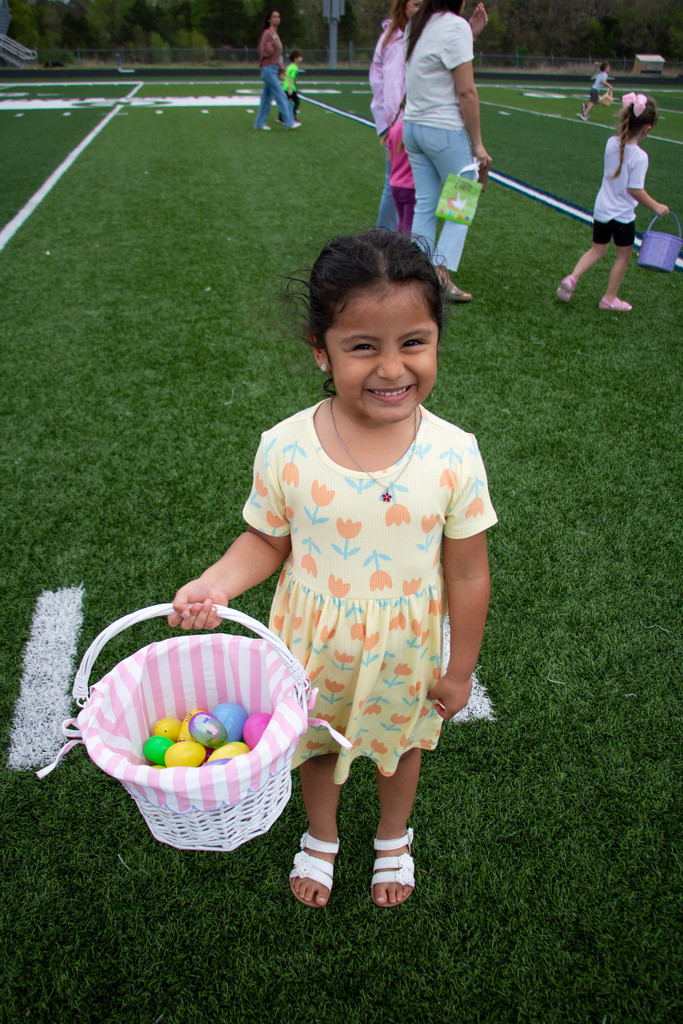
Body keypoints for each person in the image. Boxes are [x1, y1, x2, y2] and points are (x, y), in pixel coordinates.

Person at [169, 230, 497, 909]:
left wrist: (459, 669)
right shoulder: (286, 446)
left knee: (399, 749)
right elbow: (266, 541)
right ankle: (320, 835)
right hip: (308, 645)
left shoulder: (454, 455)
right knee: (317, 747)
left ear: (437, 339)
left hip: (404, 651)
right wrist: (214, 583)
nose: (391, 369)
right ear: (320, 349)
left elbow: (467, 574)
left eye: (412, 342)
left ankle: (391, 837)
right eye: (361, 347)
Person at [403, 0, 491, 303]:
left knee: (426, 204)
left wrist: (471, 33)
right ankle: (440, 275)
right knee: (461, 203)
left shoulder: (417, 23)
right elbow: (466, 91)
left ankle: (419, 275)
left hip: (413, 127)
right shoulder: (454, 26)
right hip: (443, 129)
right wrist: (477, 143)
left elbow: (435, 62)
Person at [557, 94, 669, 311]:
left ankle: (572, 277)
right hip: (622, 216)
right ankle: (609, 298)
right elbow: (634, 189)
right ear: (647, 128)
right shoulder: (640, 156)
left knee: (596, 250)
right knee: (623, 257)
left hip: (601, 210)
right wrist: (656, 206)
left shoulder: (611, 144)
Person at [370, 0, 424, 231]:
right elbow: (390, 86)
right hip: (409, 124)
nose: (420, 6)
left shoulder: (421, 33)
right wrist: (393, 126)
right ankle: (390, 246)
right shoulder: (396, 39)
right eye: (414, 2)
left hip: (423, 123)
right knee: (403, 186)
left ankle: (393, 245)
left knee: (412, 187)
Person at [254, 9, 301, 131]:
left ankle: (259, 123)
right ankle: (289, 122)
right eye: (274, 16)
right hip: (267, 69)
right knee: (281, 95)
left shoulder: (275, 34)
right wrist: (272, 44)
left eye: (278, 16)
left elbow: (277, 56)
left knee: (266, 98)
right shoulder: (267, 33)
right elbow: (263, 50)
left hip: (273, 68)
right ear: (269, 19)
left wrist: (281, 69)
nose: (277, 18)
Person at [386, 111, 416, 234]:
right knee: (408, 227)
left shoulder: (394, 129)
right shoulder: (415, 131)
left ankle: (396, 250)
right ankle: (403, 252)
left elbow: (389, 158)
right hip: (410, 186)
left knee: (402, 223)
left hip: (395, 184)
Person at [281, 49, 303, 122]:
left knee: (285, 102)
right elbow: (291, 78)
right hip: (290, 87)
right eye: (299, 57)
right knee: (296, 102)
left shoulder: (290, 66)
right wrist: (290, 88)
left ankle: (281, 117)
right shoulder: (294, 68)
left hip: (285, 86)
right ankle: (293, 116)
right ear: (295, 58)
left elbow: (286, 76)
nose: (300, 58)